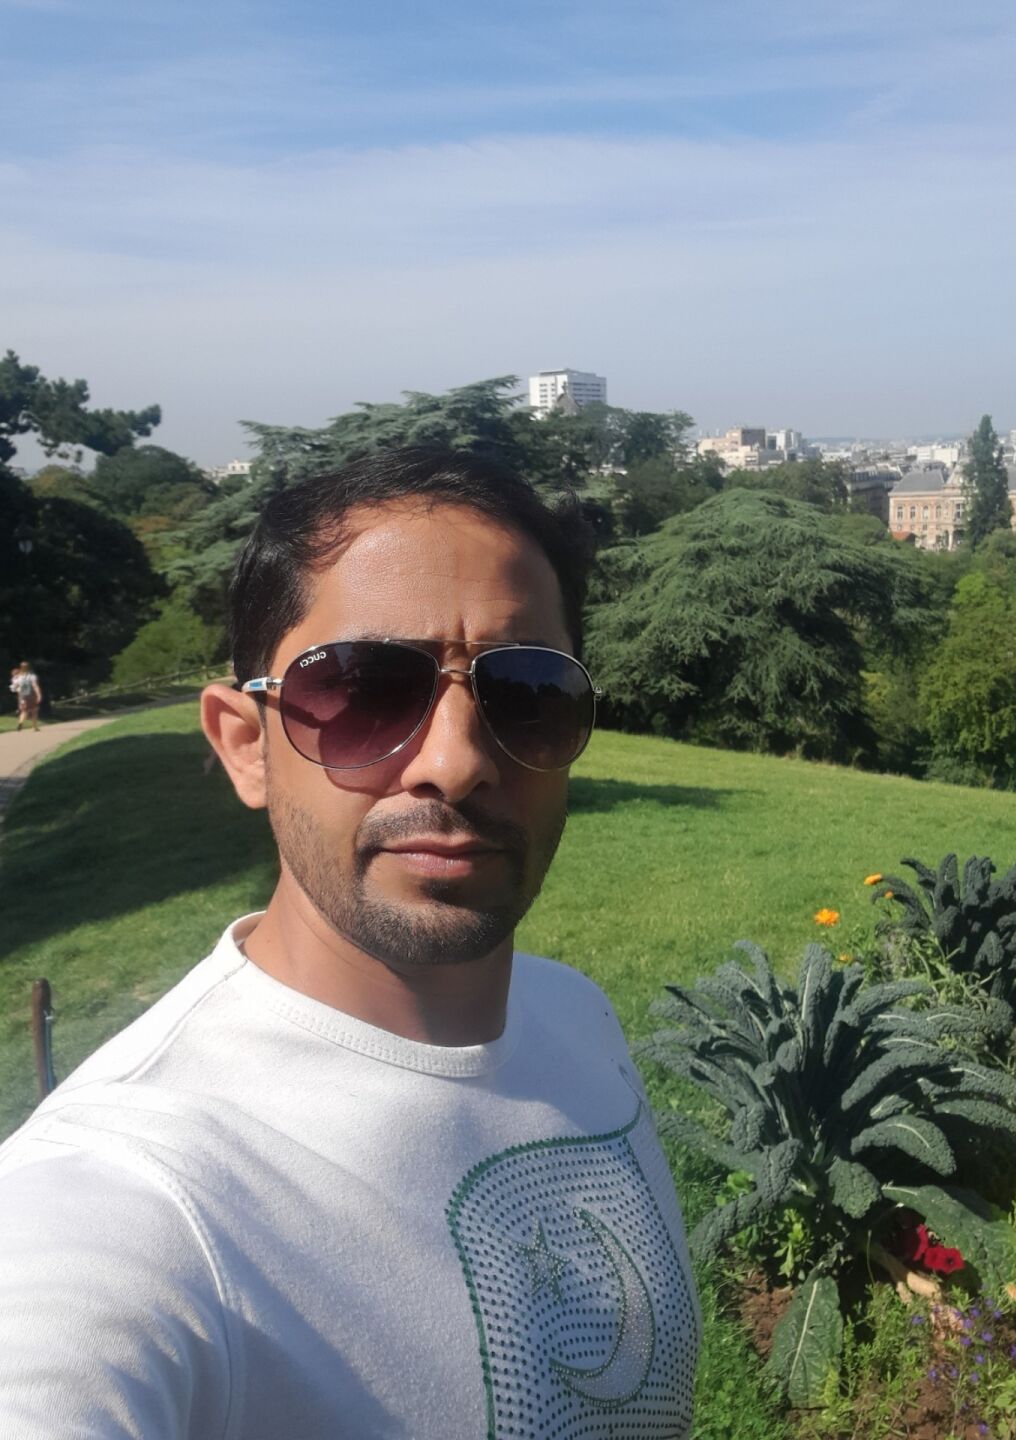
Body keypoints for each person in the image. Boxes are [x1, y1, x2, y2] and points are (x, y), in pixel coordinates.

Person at [0, 448, 700, 1439]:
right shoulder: (136, 1195)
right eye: (365, 689)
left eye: (525, 690)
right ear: (247, 744)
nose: (455, 762)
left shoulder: (573, 1016)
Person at [10, 660, 41, 731]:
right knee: (34, 711)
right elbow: (35, 686)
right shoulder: (31, 676)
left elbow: (15, 687)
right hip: (31, 695)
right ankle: (35, 727)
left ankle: (20, 722)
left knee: (24, 711)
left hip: (21, 696)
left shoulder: (17, 677)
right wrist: (39, 694)